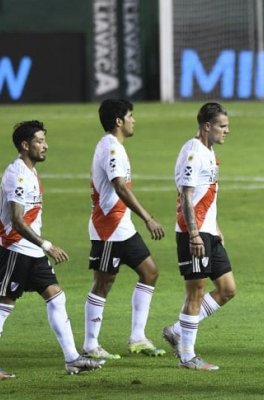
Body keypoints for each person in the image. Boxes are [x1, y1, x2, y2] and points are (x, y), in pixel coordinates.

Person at [0, 120, 104, 376]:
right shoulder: (18, 175)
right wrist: (46, 245)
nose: (45, 146)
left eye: (45, 140)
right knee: (3, 306)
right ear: (25, 145)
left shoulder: (30, 170)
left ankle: (72, 359)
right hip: (16, 250)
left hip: (31, 251)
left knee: (56, 297)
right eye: (39, 141)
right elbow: (17, 220)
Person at [83, 99, 166, 360]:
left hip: (122, 226)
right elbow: (120, 187)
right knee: (103, 284)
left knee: (150, 272)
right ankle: (90, 344)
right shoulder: (112, 149)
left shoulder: (113, 145)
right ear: (119, 121)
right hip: (108, 227)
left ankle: (138, 338)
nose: (134, 120)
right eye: (131, 115)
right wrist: (148, 217)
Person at [161, 102, 236, 371]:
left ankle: (178, 331)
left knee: (227, 289)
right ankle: (187, 356)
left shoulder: (209, 150)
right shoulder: (193, 153)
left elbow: (207, 196)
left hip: (208, 231)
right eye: (222, 126)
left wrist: (215, 228)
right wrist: (194, 234)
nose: (227, 131)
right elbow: (187, 197)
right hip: (194, 234)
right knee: (196, 292)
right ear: (207, 126)